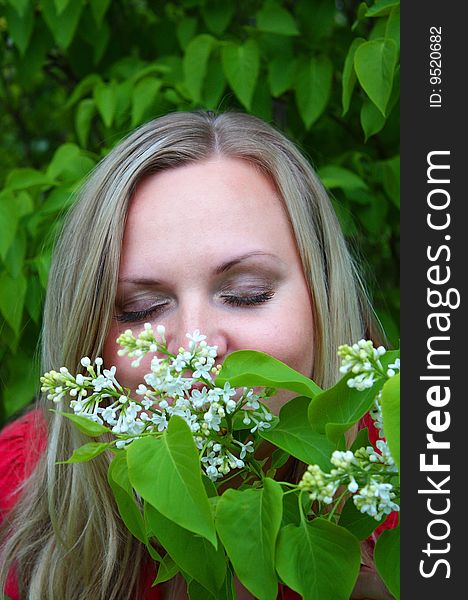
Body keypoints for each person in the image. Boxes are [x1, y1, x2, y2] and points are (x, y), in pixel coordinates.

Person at [0, 111, 392, 599]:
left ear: (321, 296)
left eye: (247, 293)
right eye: (140, 309)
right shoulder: (16, 483)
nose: (192, 348)